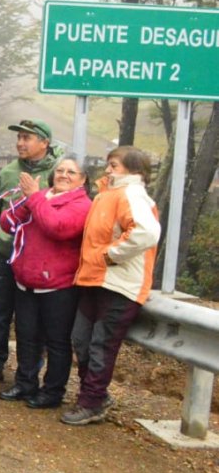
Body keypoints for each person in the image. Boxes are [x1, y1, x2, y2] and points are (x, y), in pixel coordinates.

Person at [62, 147, 160, 425]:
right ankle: (94, 396)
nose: (107, 170)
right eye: (108, 164)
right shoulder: (107, 194)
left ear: (133, 170)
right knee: (81, 340)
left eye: (114, 165)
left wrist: (111, 255)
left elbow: (147, 231)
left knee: (100, 346)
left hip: (118, 284)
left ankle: (92, 401)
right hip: (94, 280)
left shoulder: (132, 194)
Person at [0, 154, 92, 409]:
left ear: (82, 179)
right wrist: (29, 200)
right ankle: (25, 383)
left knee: (57, 341)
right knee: (26, 336)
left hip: (59, 286)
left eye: (71, 172)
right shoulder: (40, 197)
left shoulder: (82, 204)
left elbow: (57, 227)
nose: (63, 175)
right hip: (26, 280)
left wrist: (35, 197)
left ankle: (52, 392)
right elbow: (6, 223)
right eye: (60, 170)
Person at [0, 119, 62, 384]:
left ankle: (30, 369)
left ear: (44, 143)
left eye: (27, 138)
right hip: (5, 252)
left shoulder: (58, 173)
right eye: (19, 138)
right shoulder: (9, 171)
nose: (20, 143)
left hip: (38, 258)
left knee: (32, 319)